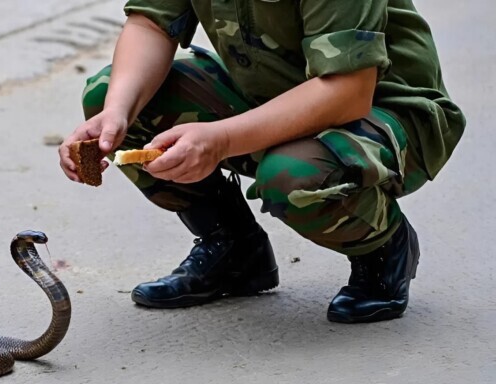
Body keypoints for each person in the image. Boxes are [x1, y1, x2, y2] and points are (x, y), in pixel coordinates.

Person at [58, 1, 465, 323]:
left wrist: (222, 140)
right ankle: (235, 251)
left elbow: (349, 91)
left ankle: (384, 248)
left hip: (383, 113)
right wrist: (116, 113)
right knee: (113, 98)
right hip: (269, 97)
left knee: (293, 176)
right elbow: (151, 22)